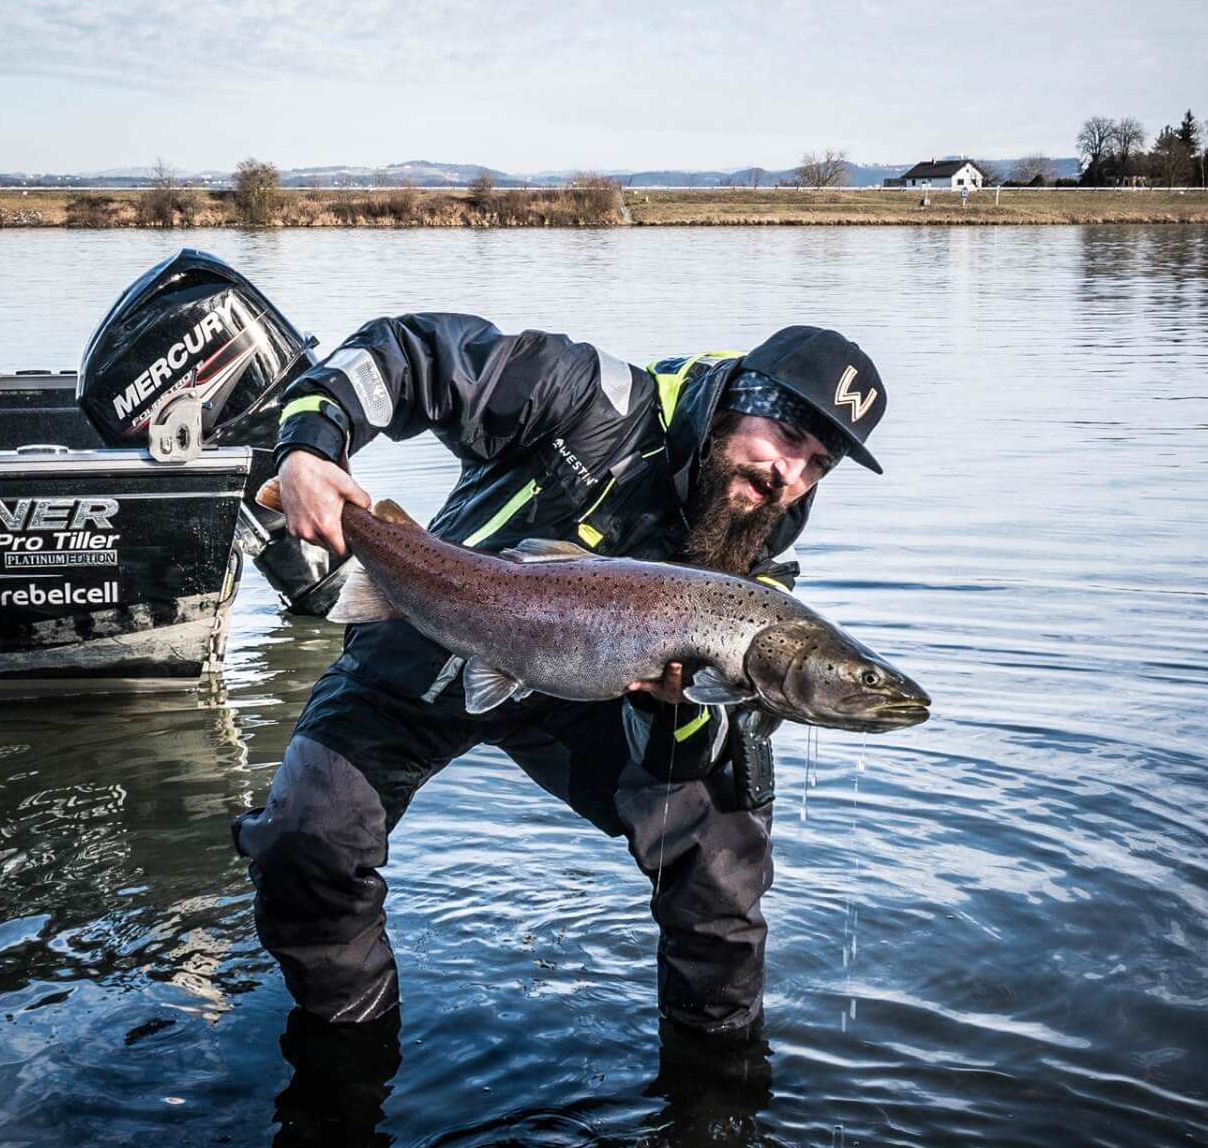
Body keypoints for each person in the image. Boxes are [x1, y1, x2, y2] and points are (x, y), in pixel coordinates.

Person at [232, 314, 888, 1041]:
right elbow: (410, 354)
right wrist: (311, 446)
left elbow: (702, 741)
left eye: (818, 464)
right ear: (738, 392)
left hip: (592, 695)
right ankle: (347, 1049)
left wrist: (676, 711)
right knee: (303, 839)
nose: (790, 475)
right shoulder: (584, 395)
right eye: (789, 437)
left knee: (723, 829)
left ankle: (717, 1079)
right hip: (421, 652)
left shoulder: (758, 532)